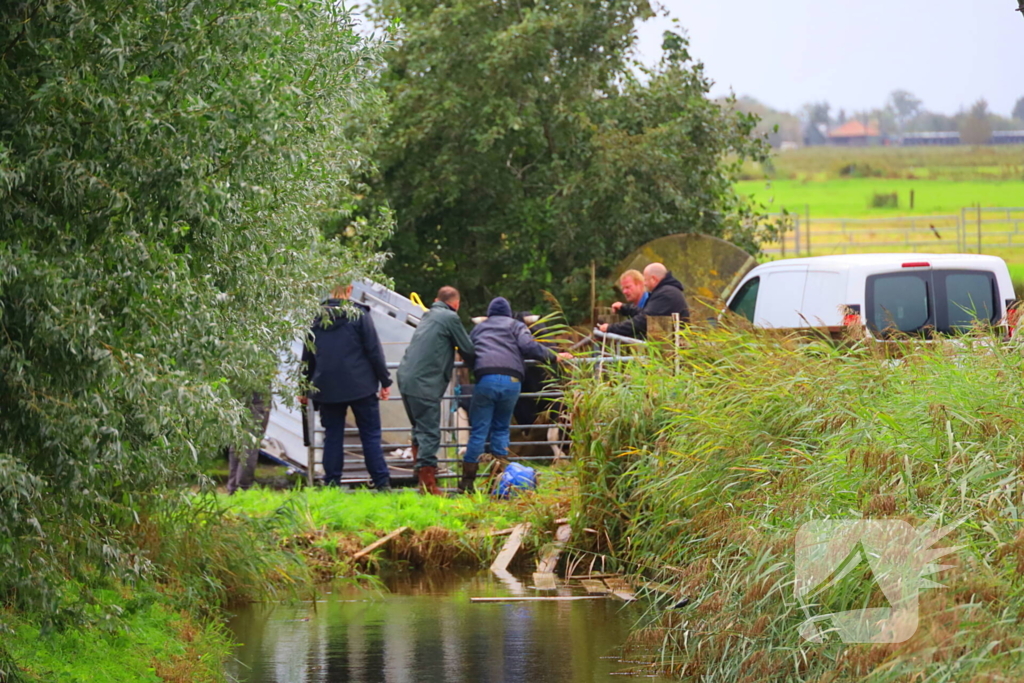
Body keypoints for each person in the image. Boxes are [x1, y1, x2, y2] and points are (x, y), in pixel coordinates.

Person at [460, 297, 571, 494]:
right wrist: (555, 356)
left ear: (490, 313)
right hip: (512, 381)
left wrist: (475, 365)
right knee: (502, 429)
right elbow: (529, 346)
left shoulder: (480, 328)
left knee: (479, 431)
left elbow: (467, 349)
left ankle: (467, 484)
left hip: (486, 379)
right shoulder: (516, 326)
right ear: (508, 313)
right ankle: (498, 480)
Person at [301, 279, 393, 490]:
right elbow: (373, 350)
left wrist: (303, 387)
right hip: (361, 385)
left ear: (330, 289)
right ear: (350, 290)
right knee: (370, 436)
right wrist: (385, 381)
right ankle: (381, 484)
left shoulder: (316, 317)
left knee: (332, 436)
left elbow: (308, 356)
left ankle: (332, 484)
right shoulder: (359, 315)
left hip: (326, 387)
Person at [397, 286, 475, 495]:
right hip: (425, 383)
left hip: (405, 378)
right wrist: (482, 366)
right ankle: (428, 485)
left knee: (419, 429)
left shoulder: (428, 315)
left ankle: (420, 477)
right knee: (430, 432)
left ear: (435, 300)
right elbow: (467, 349)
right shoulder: (450, 317)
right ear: (456, 304)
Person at [599, 263, 690, 339]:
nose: (645, 284)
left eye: (645, 280)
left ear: (653, 279)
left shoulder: (665, 294)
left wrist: (611, 328)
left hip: (673, 351)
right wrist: (625, 308)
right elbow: (647, 314)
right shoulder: (666, 291)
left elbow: (644, 321)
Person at [226, 391, 271, 494]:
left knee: (236, 445)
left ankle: (233, 488)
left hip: (236, 402)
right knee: (249, 446)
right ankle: (243, 488)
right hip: (256, 403)